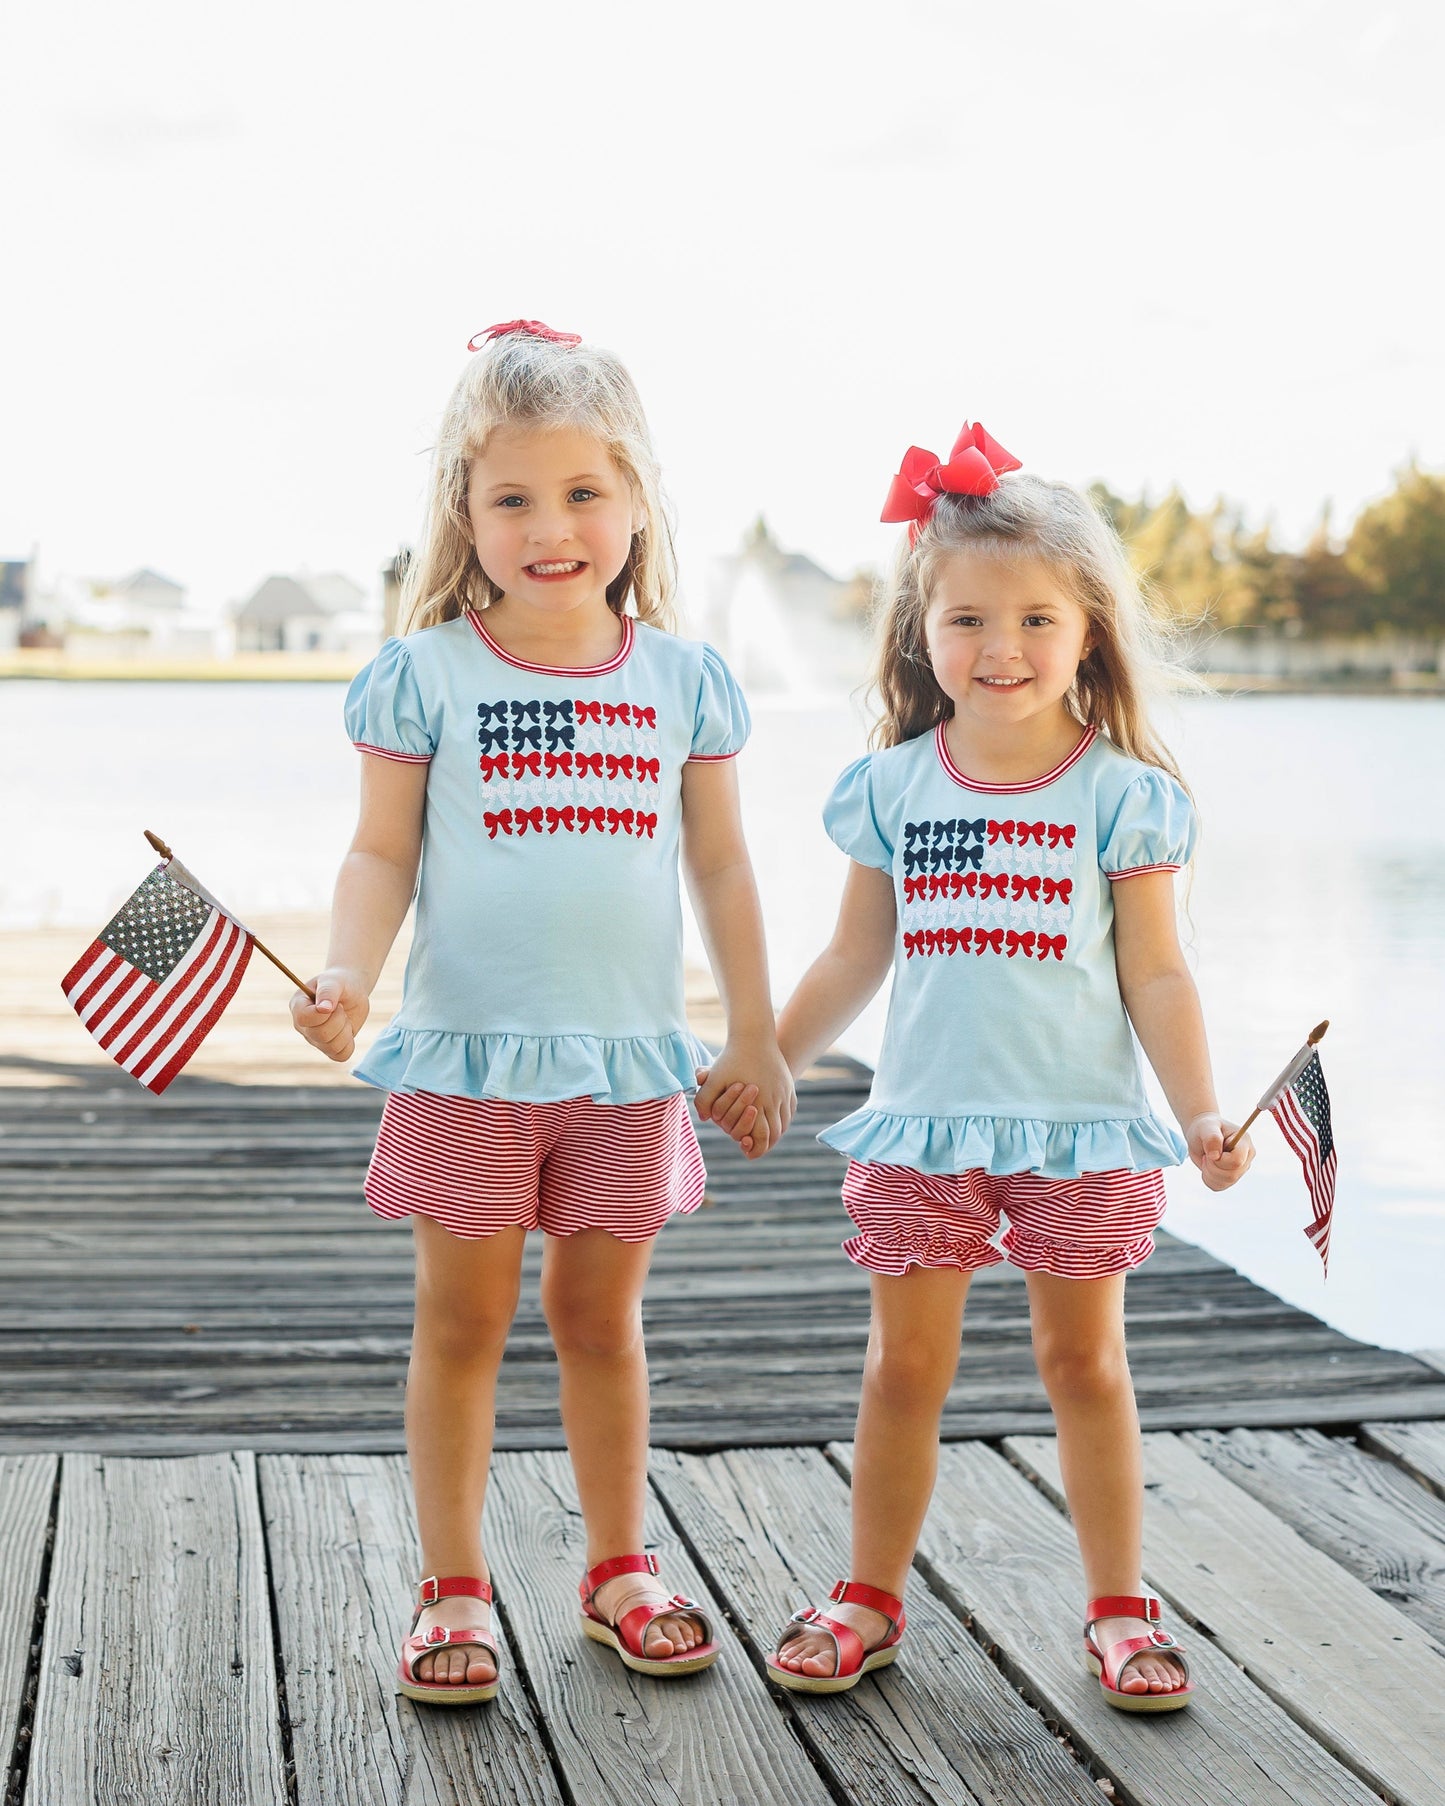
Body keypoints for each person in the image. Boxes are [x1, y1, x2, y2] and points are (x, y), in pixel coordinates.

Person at [291, 320, 793, 1704]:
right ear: (464, 508)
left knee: (599, 1320)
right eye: (511, 497)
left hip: (625, 1067)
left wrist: (754, 1032)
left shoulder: (680, 681)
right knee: (461, 1324)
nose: (550, 527)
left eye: (582, 492)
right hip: (466, 1062)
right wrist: (347, 972)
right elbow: (380, 852)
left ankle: (618, 1566)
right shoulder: (426, 673)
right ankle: (452, 1585)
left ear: (636, 501)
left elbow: (722, 866)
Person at [738, 422, 1252, 1709]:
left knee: (1084, 1366)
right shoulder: (892, 786)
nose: (1000, 647)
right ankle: (867, 1596)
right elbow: (853, 954)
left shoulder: (1121, 796)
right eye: (966, 619)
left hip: (1077, 1131)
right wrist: (765, 1056)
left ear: (1087, 633)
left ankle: (1119, 1607)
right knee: (902, 1368)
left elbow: (1156, 975)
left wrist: (1197, 1109)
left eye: (1033, 619)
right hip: (924, 1128)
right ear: (922, 633)